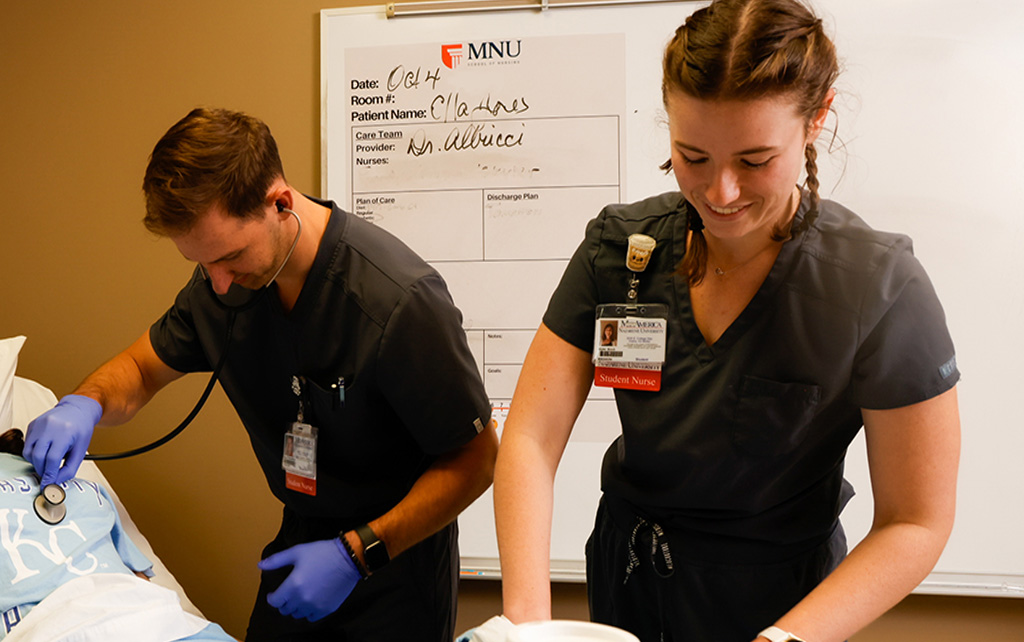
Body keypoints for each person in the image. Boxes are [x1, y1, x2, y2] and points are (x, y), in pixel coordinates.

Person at [493, 1, 961, 641]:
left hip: (783, 606)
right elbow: (529, 440)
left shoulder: (878, 287)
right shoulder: (622, 250)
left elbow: (916, 521)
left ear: (816, 120)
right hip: (629, 582)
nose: (721, 193)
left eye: (754, 160)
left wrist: (780, 641)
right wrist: (525, 625)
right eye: (693, 156)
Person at [22, 107, 498, 641]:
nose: (219, 285)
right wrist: (84, 402)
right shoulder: (222, 287)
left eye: (229, 258)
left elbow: (477, 459)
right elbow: (138, 368)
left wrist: (356, 554)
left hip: (394, 555)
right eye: (201, 265)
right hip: (301, 538)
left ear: (280, 202)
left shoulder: (396, 302)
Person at [0, 429, 236, 641]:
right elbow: (141, 580)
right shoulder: (89, 488)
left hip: (64, 628)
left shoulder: (86, 488)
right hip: (154, 622)